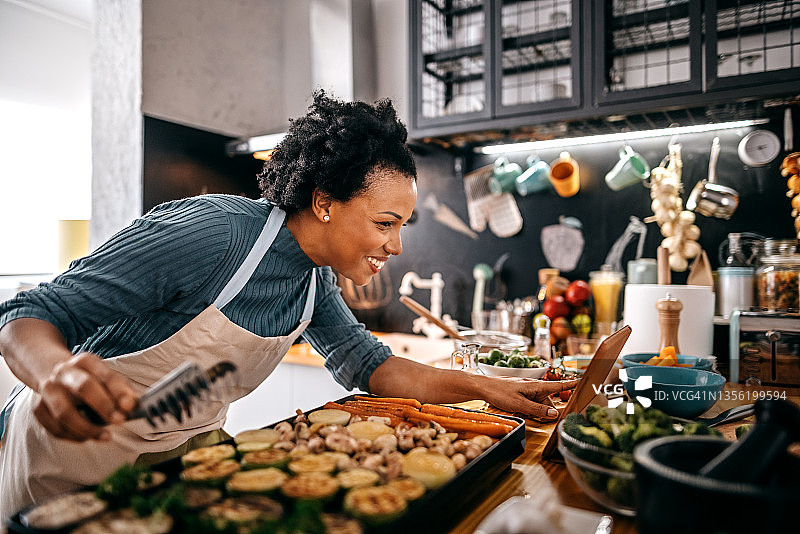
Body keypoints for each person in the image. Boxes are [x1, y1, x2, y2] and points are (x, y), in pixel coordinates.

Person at [0, 91, 574, 519]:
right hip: (70, 457)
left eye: (402, 226)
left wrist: (491, 392)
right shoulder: (213, 234)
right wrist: (57, 375)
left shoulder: (313, 278)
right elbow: (28, 315)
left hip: (180, 461)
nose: (395, 246)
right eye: (384, 223)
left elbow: (372, 367)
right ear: (324, 202)